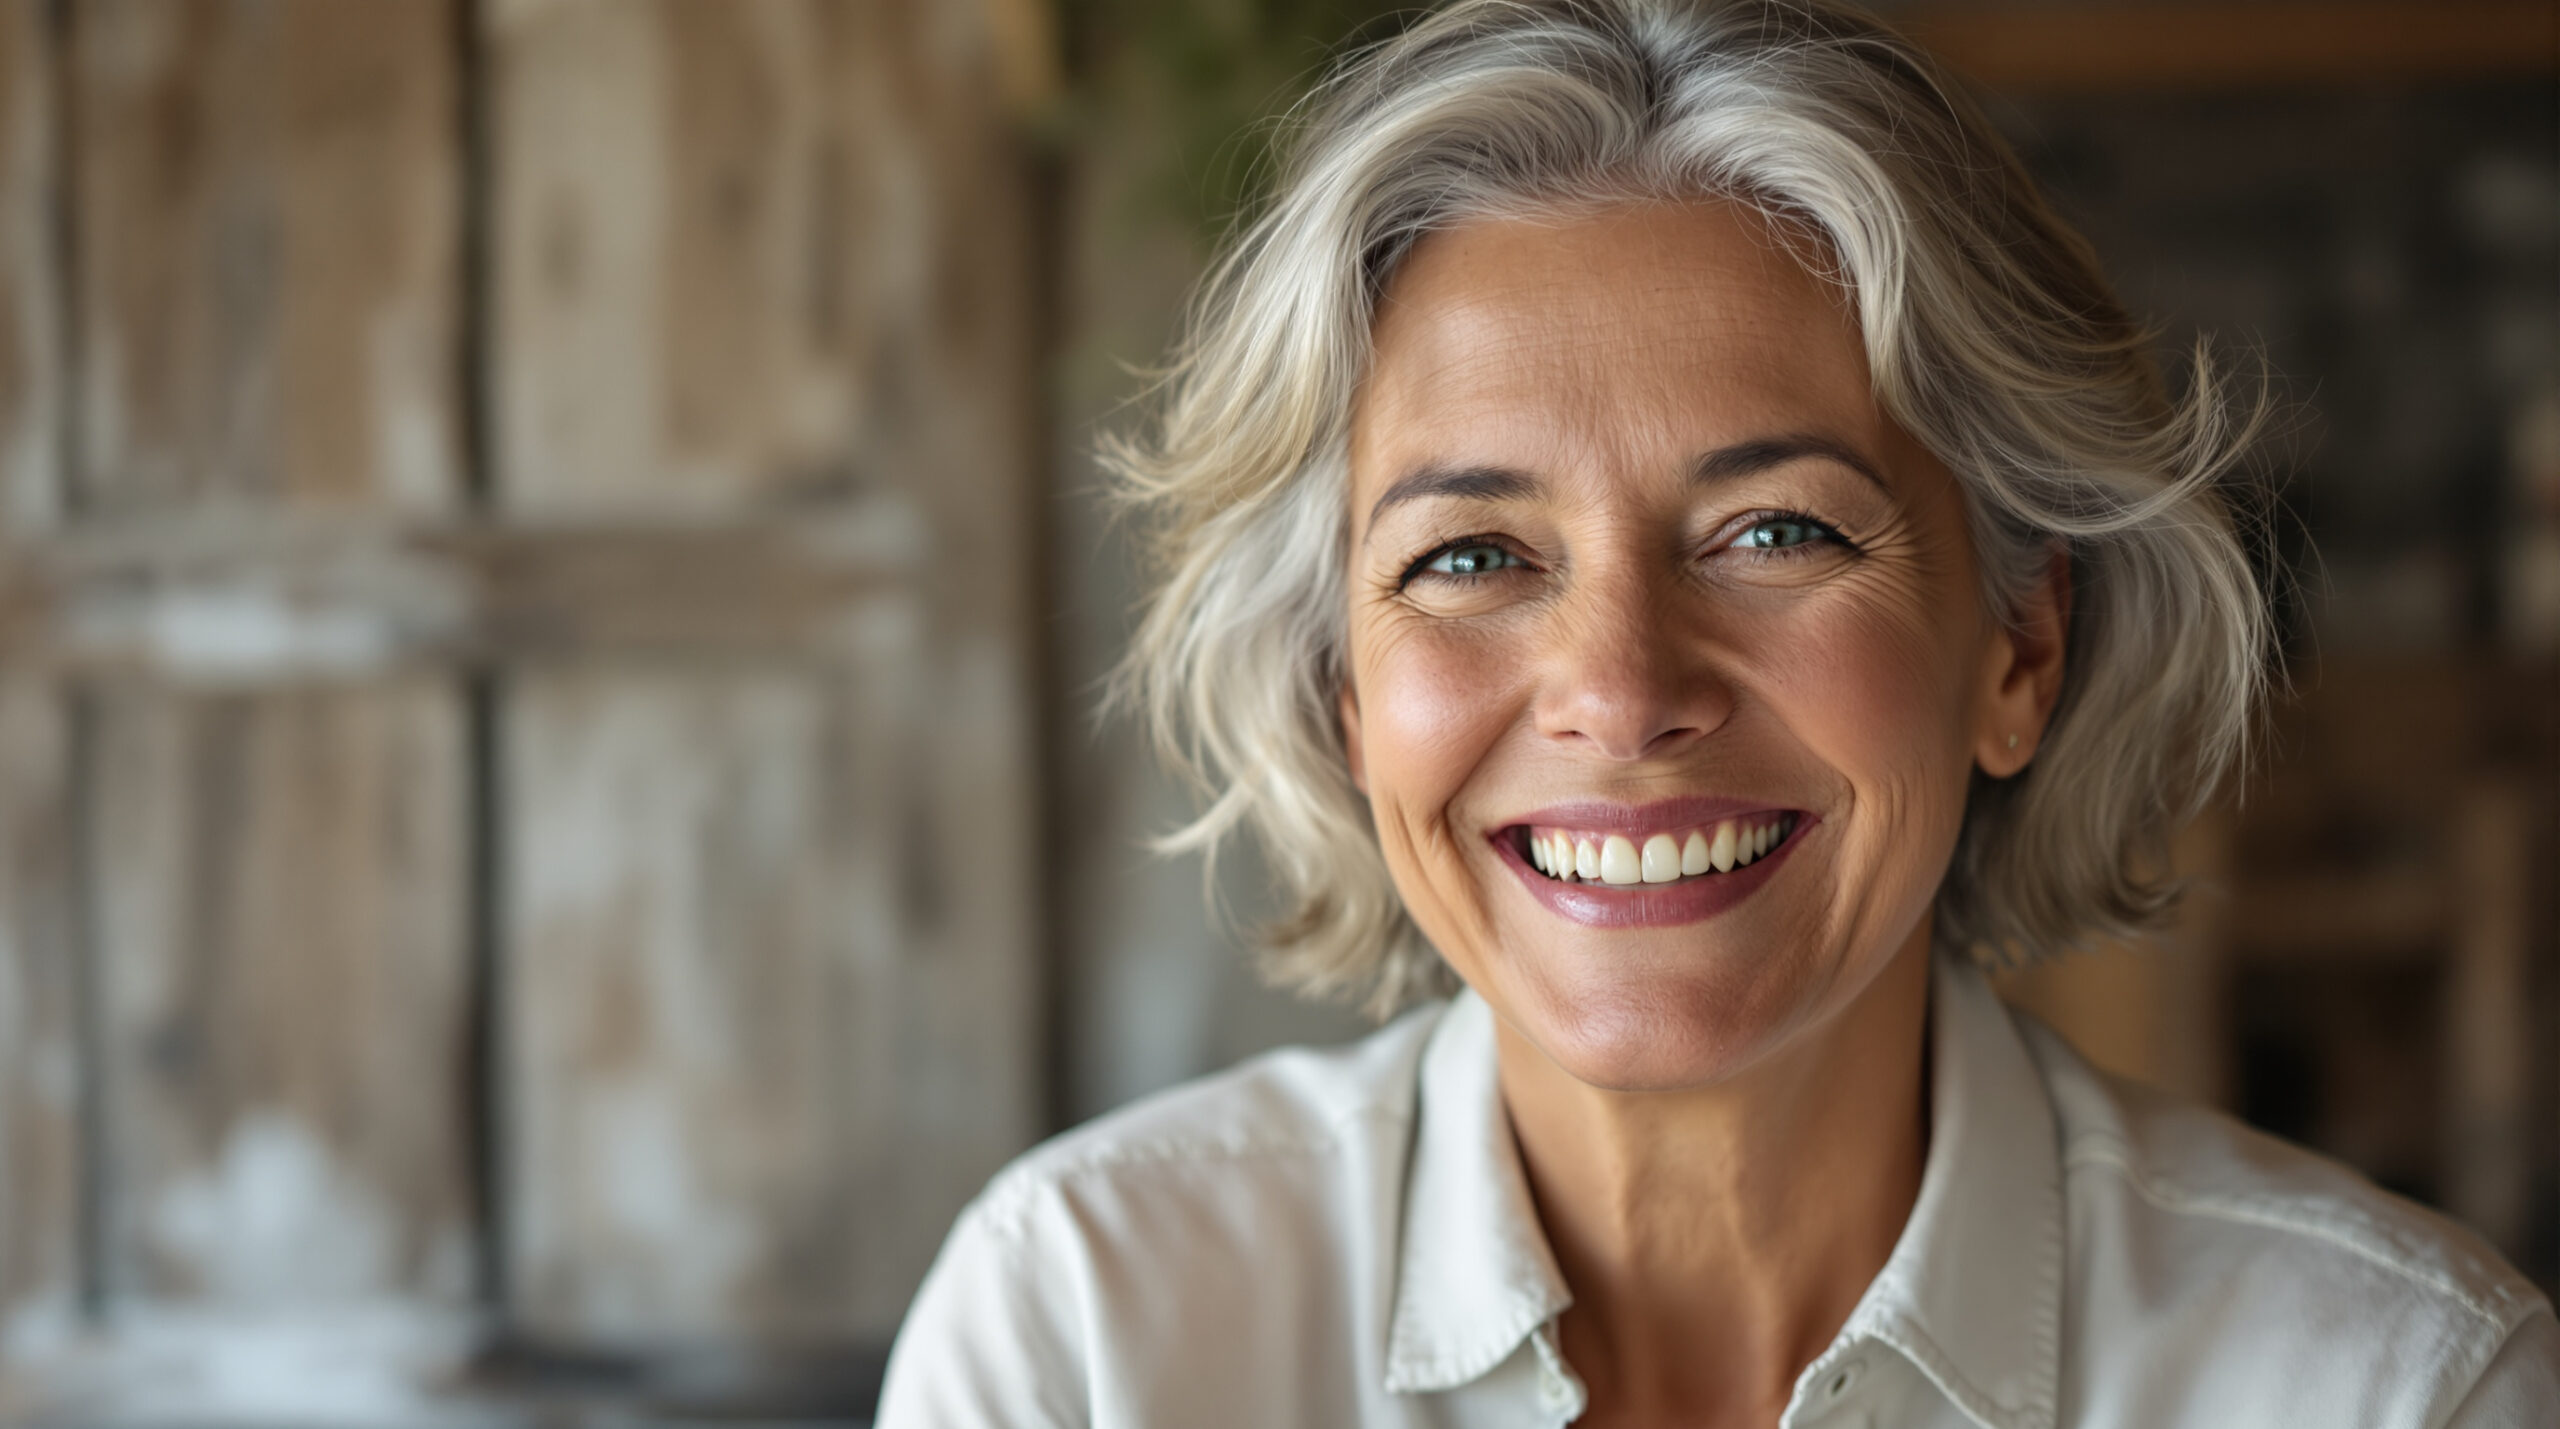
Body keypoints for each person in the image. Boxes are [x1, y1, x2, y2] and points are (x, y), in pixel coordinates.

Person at [877, 2, 2559, 1424]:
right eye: (1470, 555)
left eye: (1777, 532)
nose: (1621, 693)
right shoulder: (1081, 1340)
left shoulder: (2394, 1387)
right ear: (1347, 690)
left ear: (2018, 646)